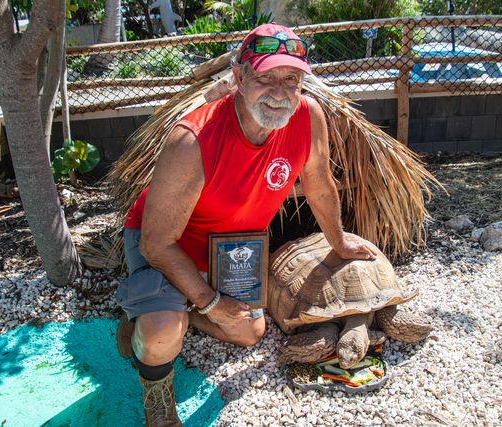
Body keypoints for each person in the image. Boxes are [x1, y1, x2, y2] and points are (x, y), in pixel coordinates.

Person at [115, 22, 379, 426]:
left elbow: (321, 189)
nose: (279, 91)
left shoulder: (308, 116)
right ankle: (155, 383)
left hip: (230, 244)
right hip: (171, 245)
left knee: (249, 334)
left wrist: (339, 242)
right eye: (265, 77)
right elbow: (156, 243)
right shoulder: (192, 139)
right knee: (160, 333)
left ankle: (166, 312)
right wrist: (211, 301)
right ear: (238, 77)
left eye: (291, 79)